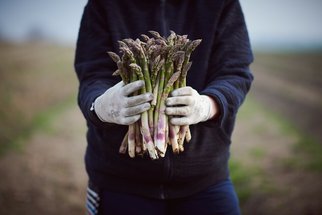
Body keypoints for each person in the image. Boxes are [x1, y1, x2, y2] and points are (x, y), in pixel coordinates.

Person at [74, 0, 253, 214]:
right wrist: (102, 106)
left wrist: (208, 105)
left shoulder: (221, 3)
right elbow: (92, 75)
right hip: (119, 180)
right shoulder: (103, 4)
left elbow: (235, 72)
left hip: (205, 178)